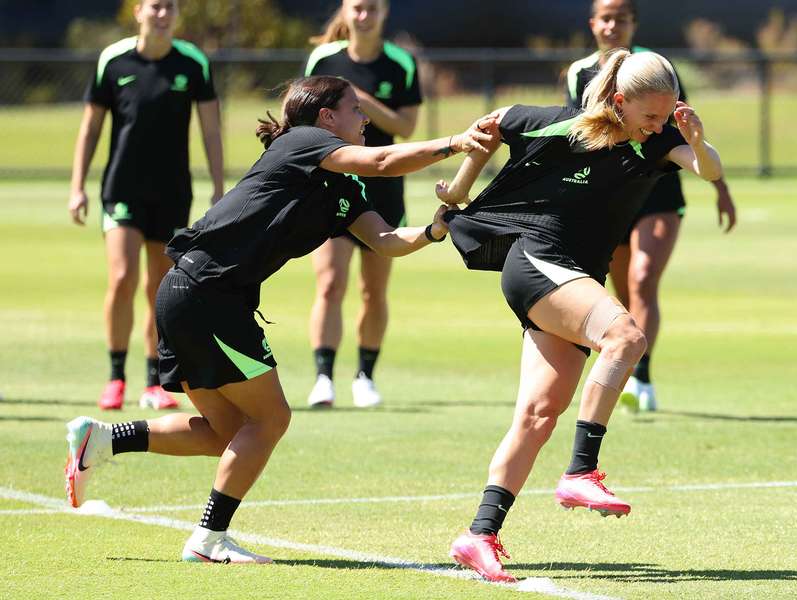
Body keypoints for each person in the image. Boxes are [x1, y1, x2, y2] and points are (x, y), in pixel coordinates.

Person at [64, 75, 496, 563]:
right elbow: (381, 161)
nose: (365, 118)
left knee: (227, 430)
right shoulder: (302, 141)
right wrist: (456, 142)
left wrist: (434, 230)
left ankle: (103, 440)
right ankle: (208, 539)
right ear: (327, 116)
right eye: (355, 109)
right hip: (208, 292)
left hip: (194, 293)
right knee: (271, 418)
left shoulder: (344, 186)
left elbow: (385, 241)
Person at [435, 50, 723, 582]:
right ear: (620, 100)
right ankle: (581, 470)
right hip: (537, 261)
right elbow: (492, 123)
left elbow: (709, 169)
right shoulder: (561, 124)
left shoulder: (660, 140)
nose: (658, 125)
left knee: (539, 414)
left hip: (572, 279)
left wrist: (698, 139)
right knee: (626, 337)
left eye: (666, 115)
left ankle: (479, 535)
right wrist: (459, 187)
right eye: (650, 115)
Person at [565, 0, 736, 412]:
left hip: (658, 193)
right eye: (606, 18)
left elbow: (685, 134)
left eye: (621, 19)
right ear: (593, 23)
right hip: (613, 197)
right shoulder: (579, 73)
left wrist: (720, 187)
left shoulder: (656, 69)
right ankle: (623, 368)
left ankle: (641, 377)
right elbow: (577, 137)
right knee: (622, 292)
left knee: (643, 281)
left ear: (633, 23)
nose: (612, 26)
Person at [68, 0, 224, 411]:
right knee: (122, 277)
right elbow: (90, 128)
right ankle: (116, 377)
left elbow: (211, 129)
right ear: (138, 11)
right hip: (122, 189)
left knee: (160, 287)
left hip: (172, 193)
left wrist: (219, 186)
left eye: (170, 6)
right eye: (155, 6)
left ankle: (155, 381)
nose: (163, 13)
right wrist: (77, 186)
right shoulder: (113, 60)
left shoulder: (193, 63)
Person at [302, 0, 422, 409]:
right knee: (330, 283)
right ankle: (323, 378)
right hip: (330, 186)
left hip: (383, 189)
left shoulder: (400, 64)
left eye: (372, 9)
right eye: (357, 8)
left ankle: (365, 377)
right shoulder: (324, 59)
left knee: (373, 290)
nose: (364, 16)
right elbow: (303, 120)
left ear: (384, 12)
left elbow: (406, 127)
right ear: (346, 11)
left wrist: (360, 101)